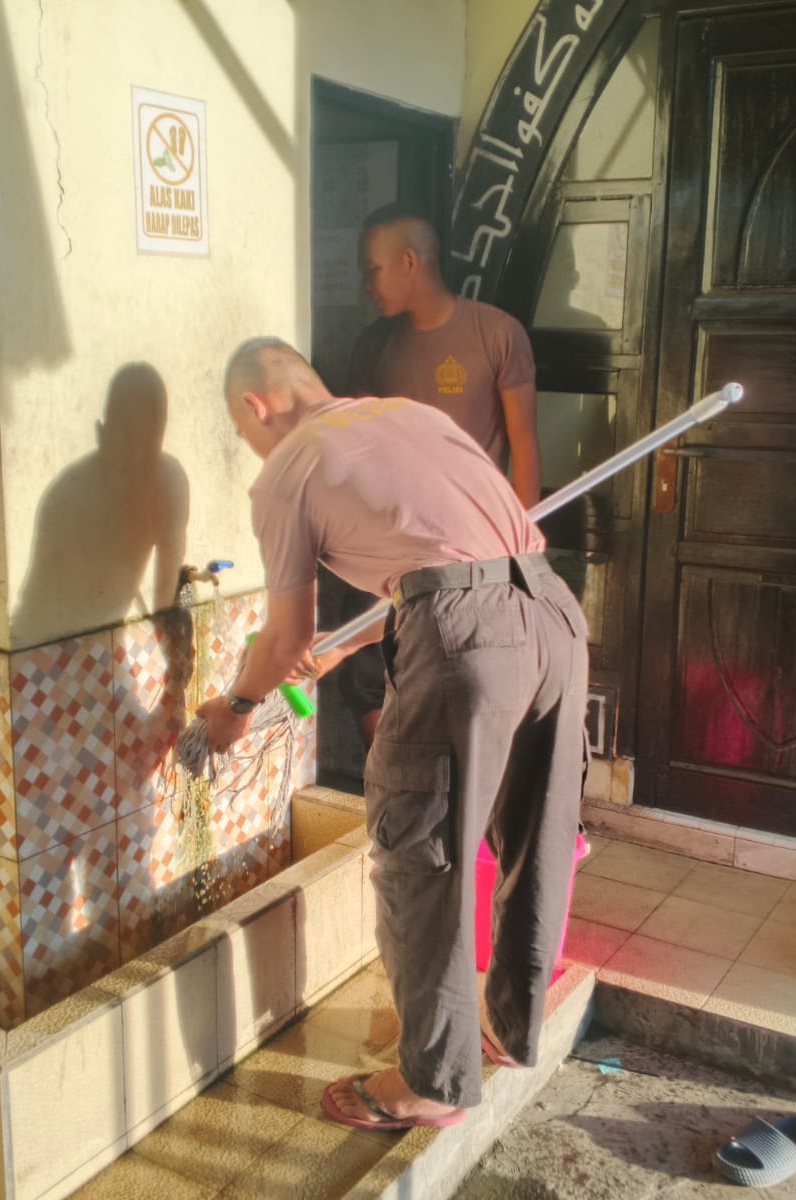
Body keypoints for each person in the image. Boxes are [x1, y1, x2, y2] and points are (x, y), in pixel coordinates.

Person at [196, 337, 587, 1131]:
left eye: (243, 433)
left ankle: (433, 1084)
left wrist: (234, 708)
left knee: (418, 851)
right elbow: (457, 566)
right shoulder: (409, 416)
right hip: (554, 615)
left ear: (255, 407)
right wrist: (347, 645)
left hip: (471, 641)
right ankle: (510, 1030)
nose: (252, 447)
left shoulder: (287, 469)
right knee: (535, 835)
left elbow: (283, 638)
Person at [337, 204, 543, 752]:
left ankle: (459, 791)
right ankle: (392, 783)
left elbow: (524, 446)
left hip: (470, 551)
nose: (365, 285)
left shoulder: (497, 333)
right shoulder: (374, 345)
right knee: (365, 672)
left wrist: (521, 554)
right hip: (388, 544)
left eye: (372, 270)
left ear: (409, 262)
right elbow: (357, 446)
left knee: (462, 676)